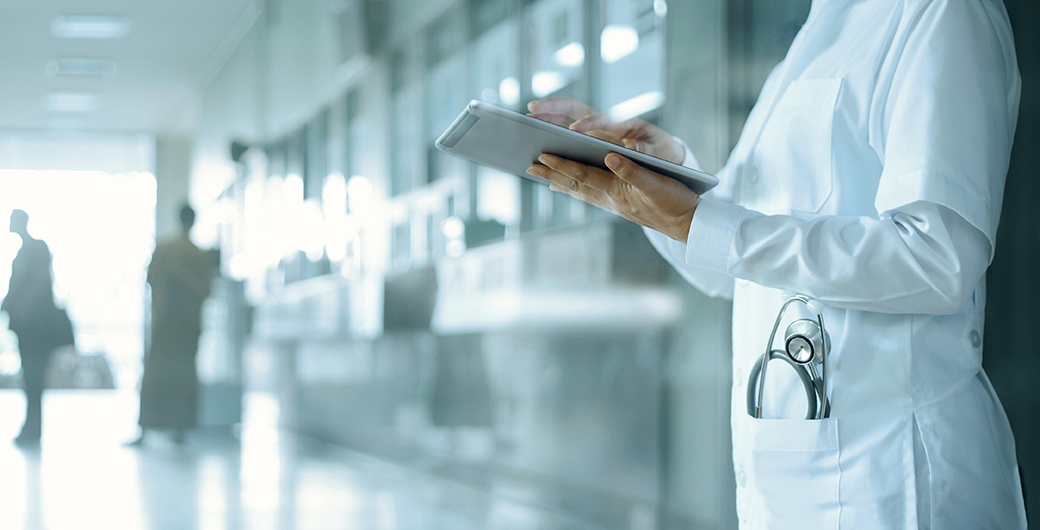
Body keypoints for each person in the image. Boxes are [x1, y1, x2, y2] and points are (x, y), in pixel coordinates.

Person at [526, 0, 1026, 528]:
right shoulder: (811, 41)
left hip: (893, 483)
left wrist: (701, 223)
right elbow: (729, 268)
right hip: (788, 488)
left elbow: (936, 260)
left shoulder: (940, 12)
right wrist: (662, 184)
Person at [128, 204, 213, 446]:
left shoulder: (166, 249)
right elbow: (206, 290)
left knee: (157, 376)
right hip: (188, 327)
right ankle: (180, 429)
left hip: (165, 324)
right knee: (184, 377)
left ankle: (146, 429)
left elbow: (151, 280)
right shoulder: (199, 255)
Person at [2, 210, 67, 446]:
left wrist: (17, 309)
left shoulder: (34, 249)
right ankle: (31, 427)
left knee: (34, 378)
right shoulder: (29, 250)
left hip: (33, 327)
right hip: (30, 325)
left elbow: (34, 286)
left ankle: (33, 428)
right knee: (32, 379)